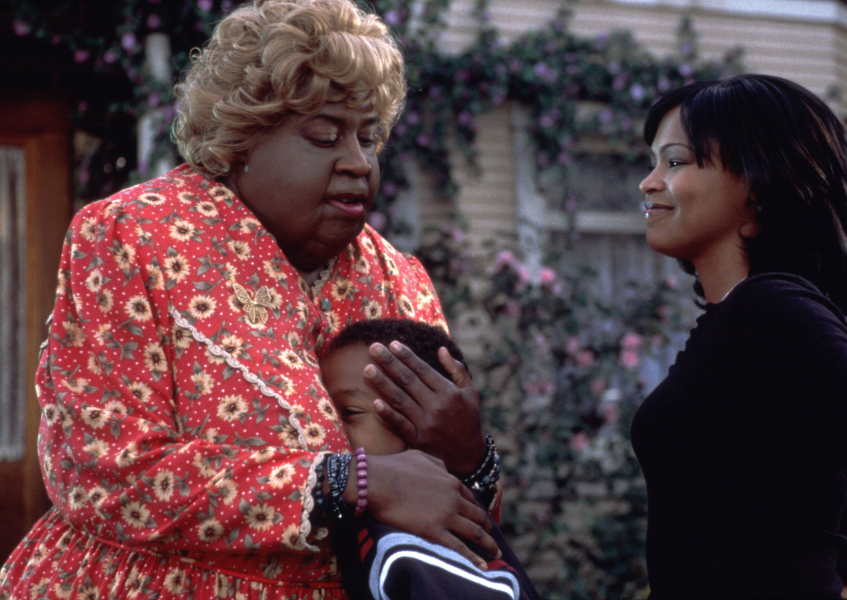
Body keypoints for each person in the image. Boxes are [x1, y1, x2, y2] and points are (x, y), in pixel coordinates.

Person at [0, 1, 498, 598]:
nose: (358, 162)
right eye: (324, 136)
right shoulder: (134, 236)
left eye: (370, 138)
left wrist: (472, 458)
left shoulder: (400, 280)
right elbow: (100, 471)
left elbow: (448, 517)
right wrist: (350, 483)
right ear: (241, 140)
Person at [631, 74, 847, 599]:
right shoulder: (738, 319)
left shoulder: (777, 313)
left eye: (675, 162)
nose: (648, 182)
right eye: (654, 162)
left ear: (756, 189)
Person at [319, 318, 540, 600]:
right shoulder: (375, 527)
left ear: (427, 428)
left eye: (348, 413)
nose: (324, 428)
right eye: (320, 411)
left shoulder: (414, 553)